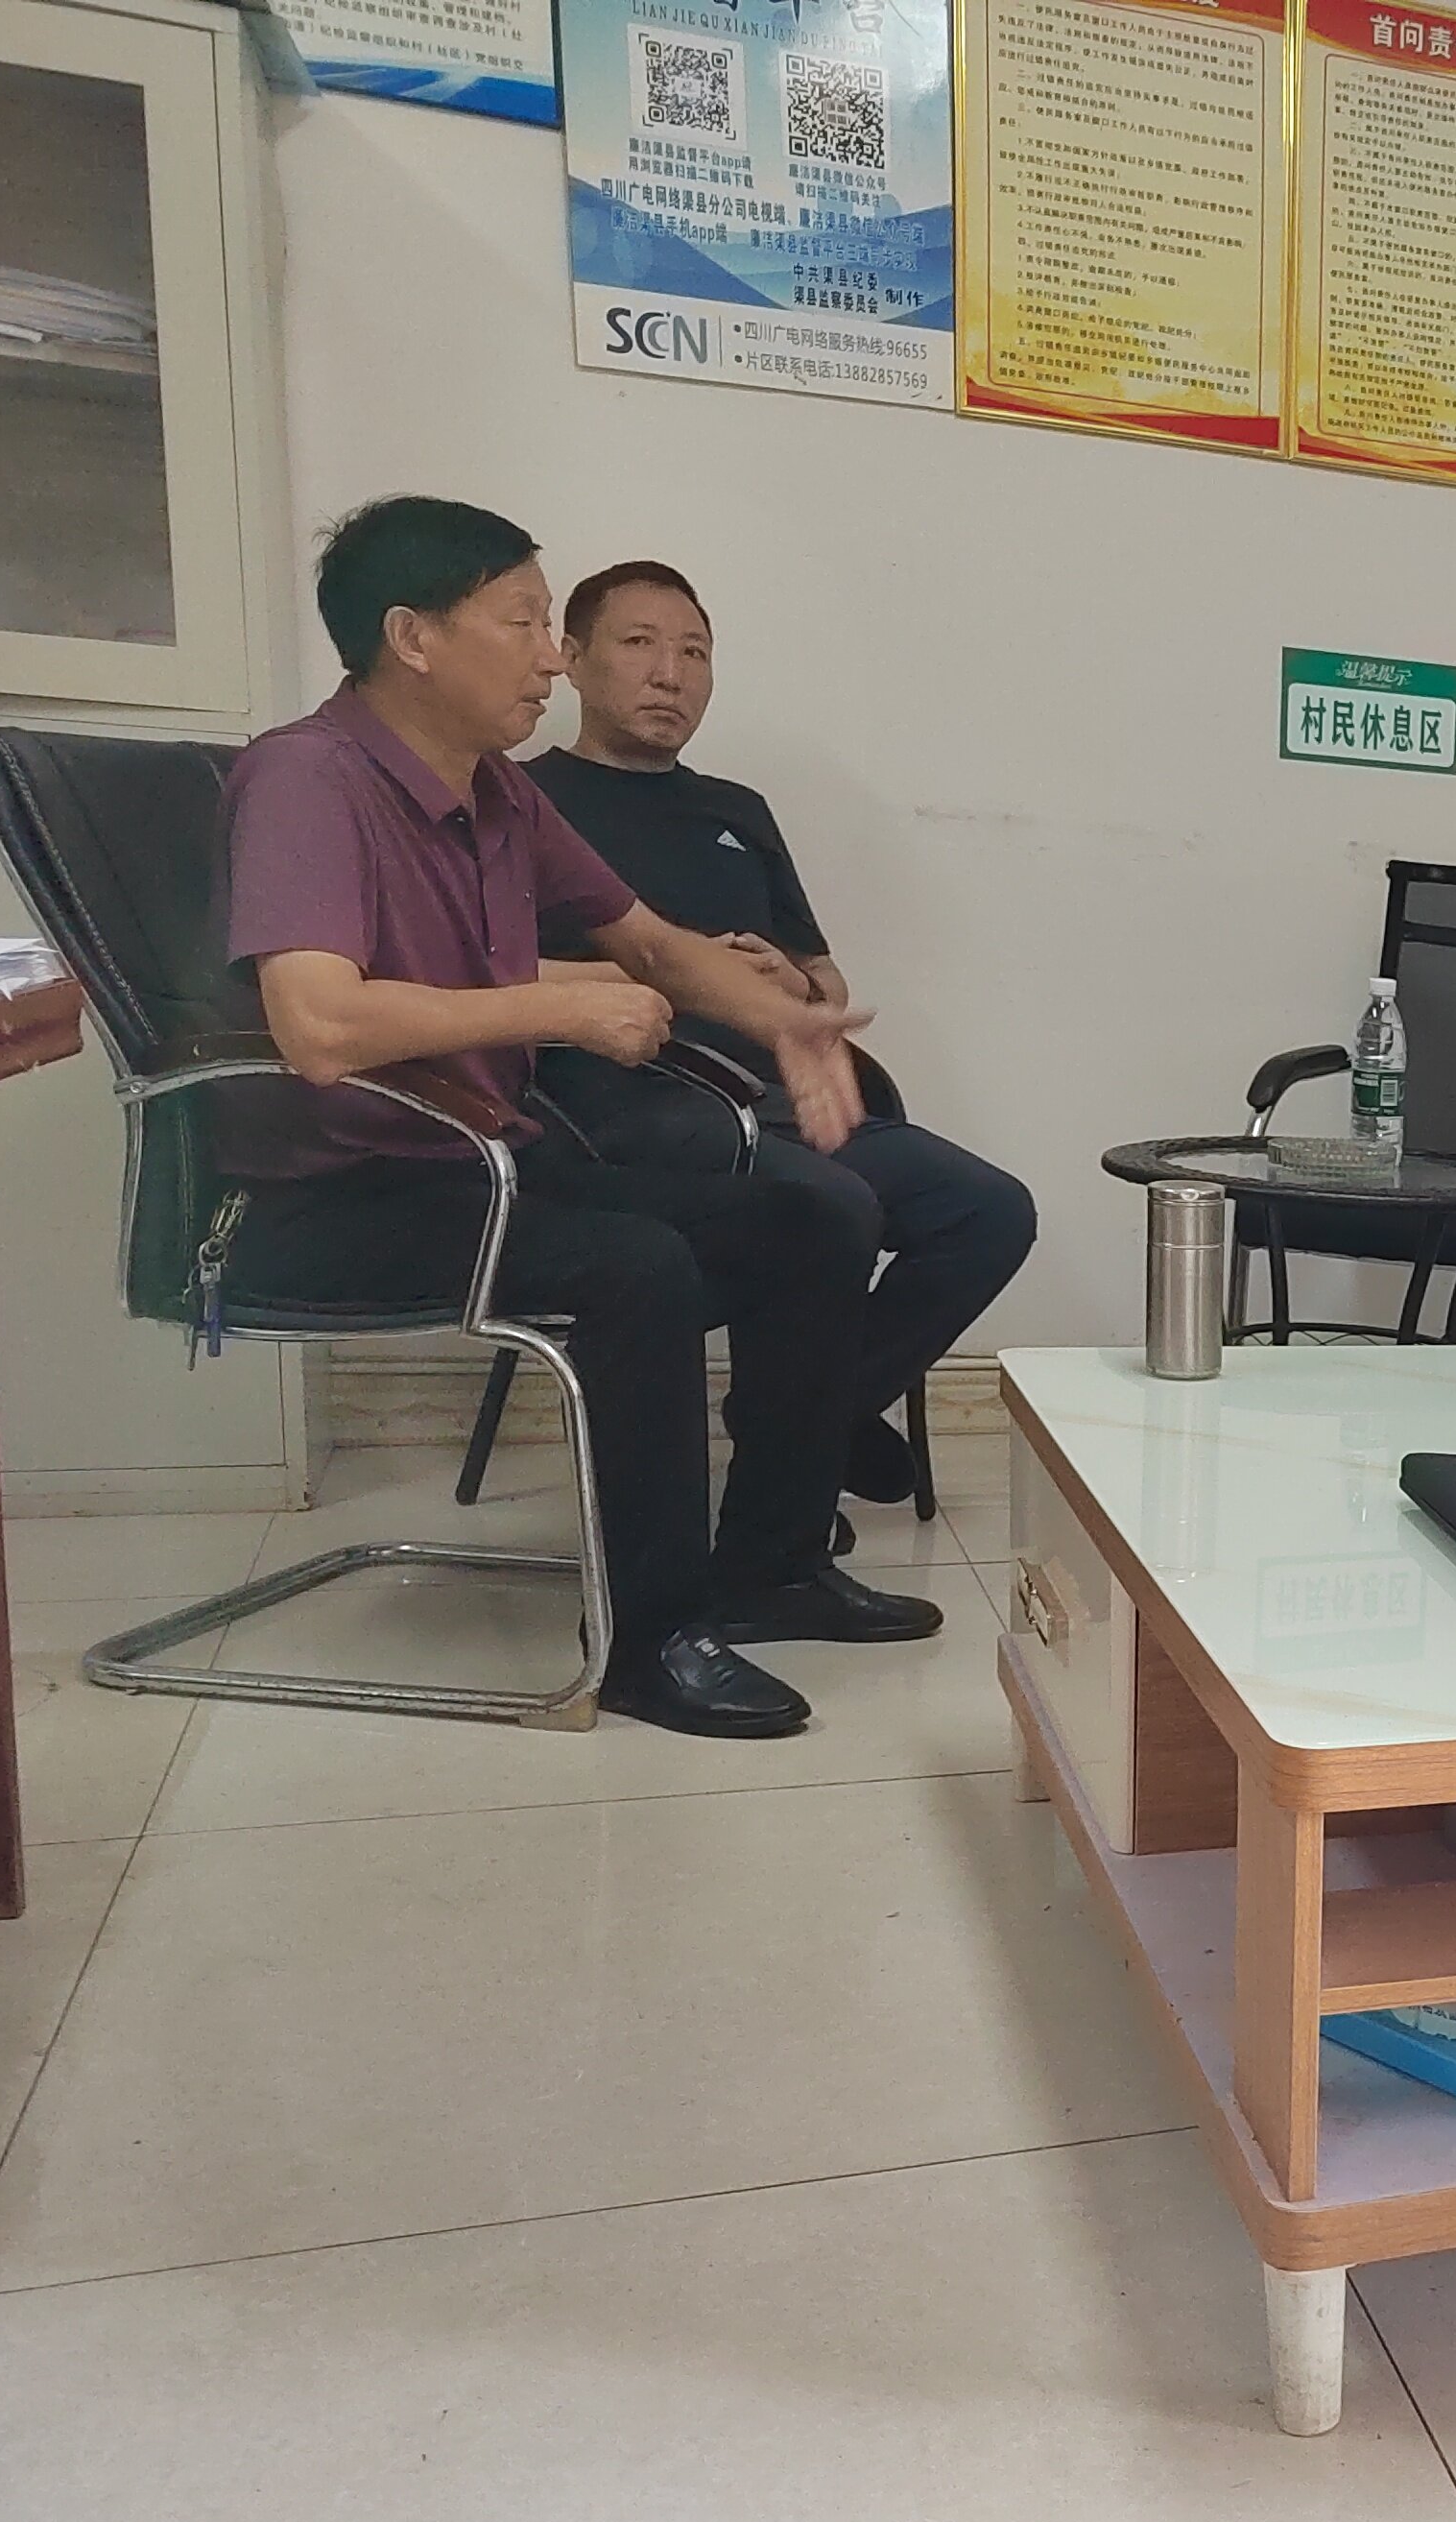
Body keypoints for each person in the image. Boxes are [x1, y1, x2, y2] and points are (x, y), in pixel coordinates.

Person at [213, 494, 949, 1741]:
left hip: (487, 1166)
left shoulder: (500, 795)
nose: (550, 658)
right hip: (335, 1196)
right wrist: (554, 1005)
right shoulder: (306, 779)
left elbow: (651, 945)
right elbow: (318, 1025)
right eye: (522, 622)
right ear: (413, 637)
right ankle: (649, 1642)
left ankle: (770, 1567)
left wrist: (788, 1022)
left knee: (818, 1212)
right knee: (635, 1264)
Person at [523, 561, 1037, 1516]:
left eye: (695, 653)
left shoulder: (736, 811)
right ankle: (799, 1458)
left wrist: (789, 982)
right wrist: (673, 980)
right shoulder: (524, 802)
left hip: (783, 1098)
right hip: (623, 1112)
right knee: (824, 1211)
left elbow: (824, 980)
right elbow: (491, 974)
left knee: (989, 1210)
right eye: (639, 644)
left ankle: (797, 1419)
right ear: (572, 657)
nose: (670, 673)